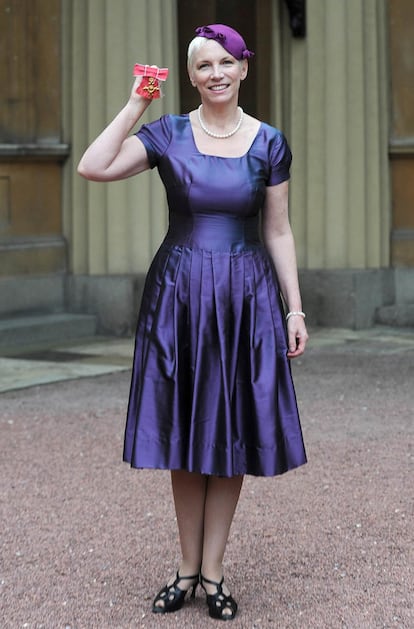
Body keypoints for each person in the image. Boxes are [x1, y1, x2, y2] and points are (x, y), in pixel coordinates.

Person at [78, 23, 308, 622]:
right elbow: (92, 167)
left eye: (226, 63)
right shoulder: (169, 134)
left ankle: (213, 571)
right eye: (204, 65)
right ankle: (185, 570)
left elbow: (277, 230)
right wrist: (136, 103)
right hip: (179, 296)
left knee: (230, 434)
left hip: (246, 299)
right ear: (191, 76)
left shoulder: (270, 143)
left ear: (244, 69)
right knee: (184, 434)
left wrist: (294, 307)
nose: (216, 74)